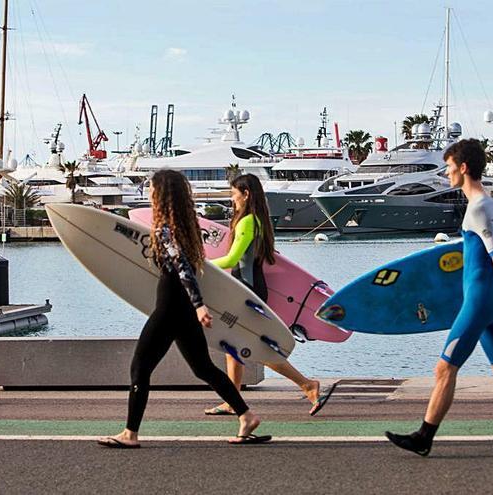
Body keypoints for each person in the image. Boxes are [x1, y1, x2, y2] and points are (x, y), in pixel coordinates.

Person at [385, 139, 493, 457]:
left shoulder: (481, 207)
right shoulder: (484, 204)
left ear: (464, 167)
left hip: (482, 300)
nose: (446, 174)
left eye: (449, 167)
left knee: (444, 369)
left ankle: (424, 436)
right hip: (484, 299)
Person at [98, 170, 269, 448]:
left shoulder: (166, 228)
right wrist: (195, 306)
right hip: (182, 307)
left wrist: (200, 305)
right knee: (202, 368)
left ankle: (130, 433)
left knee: (140, 366)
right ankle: (246, 415)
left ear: (162, 194)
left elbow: (183, 268)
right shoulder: (186, 226)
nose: (149, 193)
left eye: (152, 189)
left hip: (170, 307)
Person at [203, 174, 334, 417]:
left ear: (246, 194)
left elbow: (232, 259)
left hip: (246, 291)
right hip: (248, 288)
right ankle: (233, 399)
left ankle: (307, 385)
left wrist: (200, 263)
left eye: (234, 194)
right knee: (233, 346)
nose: (232, 200)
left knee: (254, 348)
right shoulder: (259, 221)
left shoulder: (247, 222)